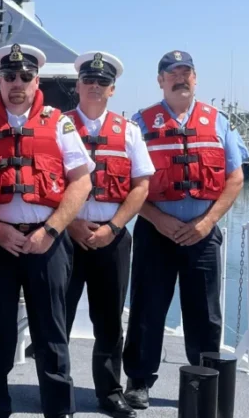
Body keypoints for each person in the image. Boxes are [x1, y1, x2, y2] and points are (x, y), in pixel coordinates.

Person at [0, 43, 94, 418]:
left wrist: (51, 231)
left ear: (36, 81)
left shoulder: (60, 124)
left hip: (48, 242)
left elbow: (81, 182)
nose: (17, 83)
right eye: (9, 76)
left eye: (25, 76)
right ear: (0, 81)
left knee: (51, 328)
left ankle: (59, 408)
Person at [122, 50, 249, 410]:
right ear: (160, 80)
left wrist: (207, 222)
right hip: (155, 231)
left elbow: (235, 179)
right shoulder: (139, 124)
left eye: (186, 72)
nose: (180, 78)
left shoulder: (219, 122)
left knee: (205, 314)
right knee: (146, 310)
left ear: (195, 78)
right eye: (172, 73)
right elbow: (126, 183)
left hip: (202, 234)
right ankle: (139, 381)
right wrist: (157, 218)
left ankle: (206, 382)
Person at [61, 52, 154, 418]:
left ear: (112, 89)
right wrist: (71, 224)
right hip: (66, 238)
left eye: (102, 82)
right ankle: (57, 388)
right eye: (89, 80)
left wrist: (113, 227)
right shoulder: (57, 126)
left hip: (112, 239)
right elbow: (45, 182)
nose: (95, 87)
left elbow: (141, 186)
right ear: (77, 85)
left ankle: (109, 392)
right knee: (58, 317)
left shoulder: (129, 131)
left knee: (110, 320)